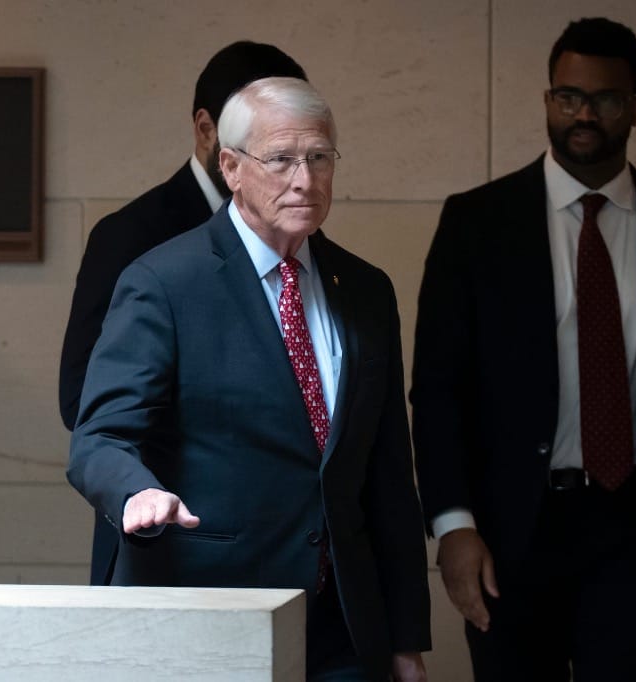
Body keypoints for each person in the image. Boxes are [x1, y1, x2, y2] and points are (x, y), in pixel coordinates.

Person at [411, 17, 636, 682]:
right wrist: (453, 525)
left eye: (604, 99)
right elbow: (438, 388)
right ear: (548, 100)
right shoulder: (477, 223)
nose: (583, 114)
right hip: (511, 532)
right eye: (568, 96)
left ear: (635, 108)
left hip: (634, 532)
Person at [67, 77, 431, 681]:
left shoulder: (366, 289)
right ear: (232, 168)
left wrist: (404, 636)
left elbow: (388, 470)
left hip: (343, 625)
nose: (305, 180)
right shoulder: (164, 282)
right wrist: (136, 493)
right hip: (211, 614)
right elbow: (99, 438)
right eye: (281, 159)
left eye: (319, 158)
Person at [58, 41, 307, 586]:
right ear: (207, 130)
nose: (295, 175)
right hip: (175, 552)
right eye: (267, 145)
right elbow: (83, 403)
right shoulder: (132, 238)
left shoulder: (307, 247)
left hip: (300, 561)